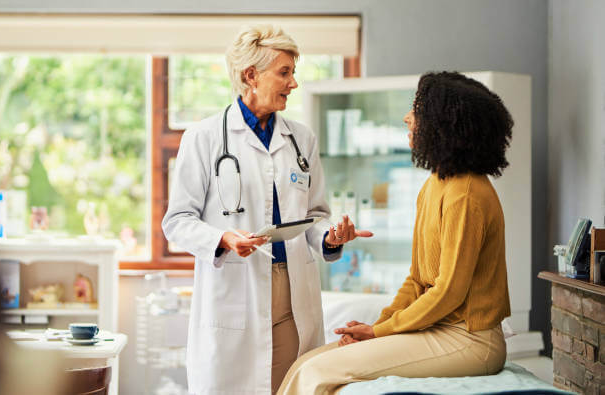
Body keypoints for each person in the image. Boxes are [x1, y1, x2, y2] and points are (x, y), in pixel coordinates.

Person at [161, 24, 373, 395]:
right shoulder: (205, 137)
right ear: (250, 76)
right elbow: (178, 221)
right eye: (285, 72)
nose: (293, 84)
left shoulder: (301, 138)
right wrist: (223, 238)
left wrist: (330, 236)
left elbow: (316, 214)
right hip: (236, 288)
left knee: (292, 387)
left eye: (293, 72)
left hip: (293, 291)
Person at [277, 71, 514, 395]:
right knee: (306, 363)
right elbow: (418, 279)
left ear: (444, 122)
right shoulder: (435, 184)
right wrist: (376, 328)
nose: (407, 117)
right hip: (438, 330)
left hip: (470, 340)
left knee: (319, 371)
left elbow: (448, 293)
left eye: (416, 109)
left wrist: (380, 332)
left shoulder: (467, 194)